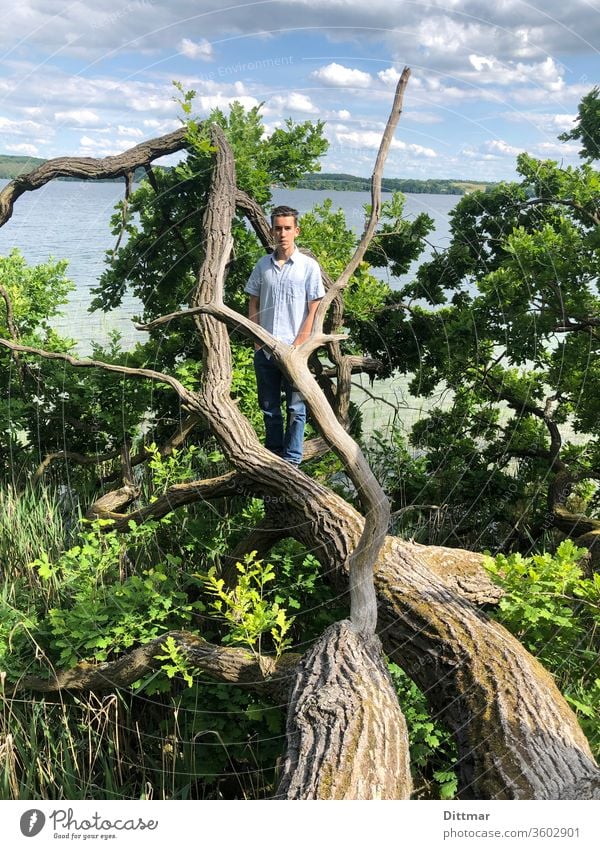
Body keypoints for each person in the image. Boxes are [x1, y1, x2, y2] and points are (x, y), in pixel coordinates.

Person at [245, 205, 324, 464]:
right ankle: (274, 458)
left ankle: (292, 461)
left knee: (297, 409)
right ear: (271, 231)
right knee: (269, 409)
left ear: (296, 231)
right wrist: (257, 341)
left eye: (287, 228)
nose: (282, 233)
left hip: (295, 351)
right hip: (266, 350)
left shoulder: (308, 267)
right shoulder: (262, 266)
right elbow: (253, 302)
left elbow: (314, 308)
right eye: (278, 228)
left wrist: (300, 344)